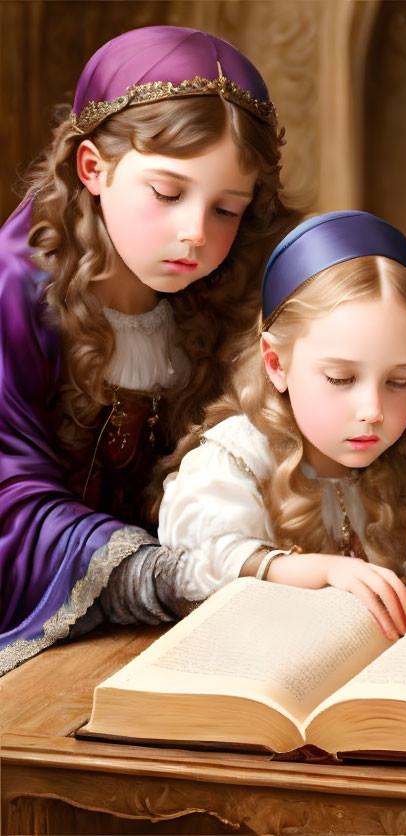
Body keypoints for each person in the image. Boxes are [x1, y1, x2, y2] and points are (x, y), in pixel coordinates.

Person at [0, 25, 295, 674]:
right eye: (167, 194)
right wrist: (159, 575)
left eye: (227, 209)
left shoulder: (232, 295)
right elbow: (7, 499)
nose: (194, 232)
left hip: (202, 624)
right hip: (43, 627)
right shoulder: (15, 295)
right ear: (93, 169)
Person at [159, 211, 406, 639]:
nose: (372, 410)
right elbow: (188, 573)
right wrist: (312, 570)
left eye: (399, 381)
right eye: (341, 379)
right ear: (276, 364)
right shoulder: (235, 461)